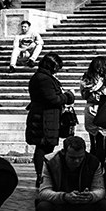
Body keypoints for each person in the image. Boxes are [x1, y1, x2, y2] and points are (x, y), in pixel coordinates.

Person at [25, 53, 76, 185]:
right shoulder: (43, 79)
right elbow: (52, 99)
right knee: (43, 146)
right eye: (56, 66)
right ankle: (41, 176)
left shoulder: (44, 77)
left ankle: (43, 175)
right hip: (44, 118)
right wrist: (68, 96)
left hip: (48, 117)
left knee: (47, 146)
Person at [36, 135, 106, 211]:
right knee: (43, 207)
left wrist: (90, 196)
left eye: (80, 157)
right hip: (60, 204)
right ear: (64, 152)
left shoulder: (94, 162)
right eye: (72, 158)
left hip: (85, 204)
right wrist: (64, 196)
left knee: (105, 206)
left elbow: (100, 190)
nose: (77, 161)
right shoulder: (51, 162)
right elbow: (44, 192)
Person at [80, 56, 106, 163]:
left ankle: (95, 164)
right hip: (101, 109)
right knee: (101, 142)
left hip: (95, 109)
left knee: (97, 141)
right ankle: (98, 165)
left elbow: (84, 95)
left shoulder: (86, 79)